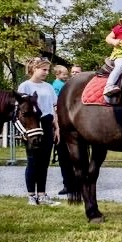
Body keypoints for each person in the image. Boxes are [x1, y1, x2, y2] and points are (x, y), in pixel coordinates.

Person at [18, 57, 60, 206]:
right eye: (44, 69)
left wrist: (57, 128)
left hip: (48, 125)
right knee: (33, 161)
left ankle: (42, 195)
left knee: (44, 162)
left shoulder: (48, 87)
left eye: (48, 70)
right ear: (34, 68)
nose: (46, 73)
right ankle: (31, 195)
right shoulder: (25, 86)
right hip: (33, 127)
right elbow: (21, 111)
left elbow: (54, 108)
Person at [50, 65, 69, 195]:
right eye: (64, 74)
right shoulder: (56, 86)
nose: (66, 76)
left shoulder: (65, 84)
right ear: (57, 74)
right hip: (61, 121)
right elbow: (56, 103)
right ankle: (67, 183)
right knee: (63, 155)